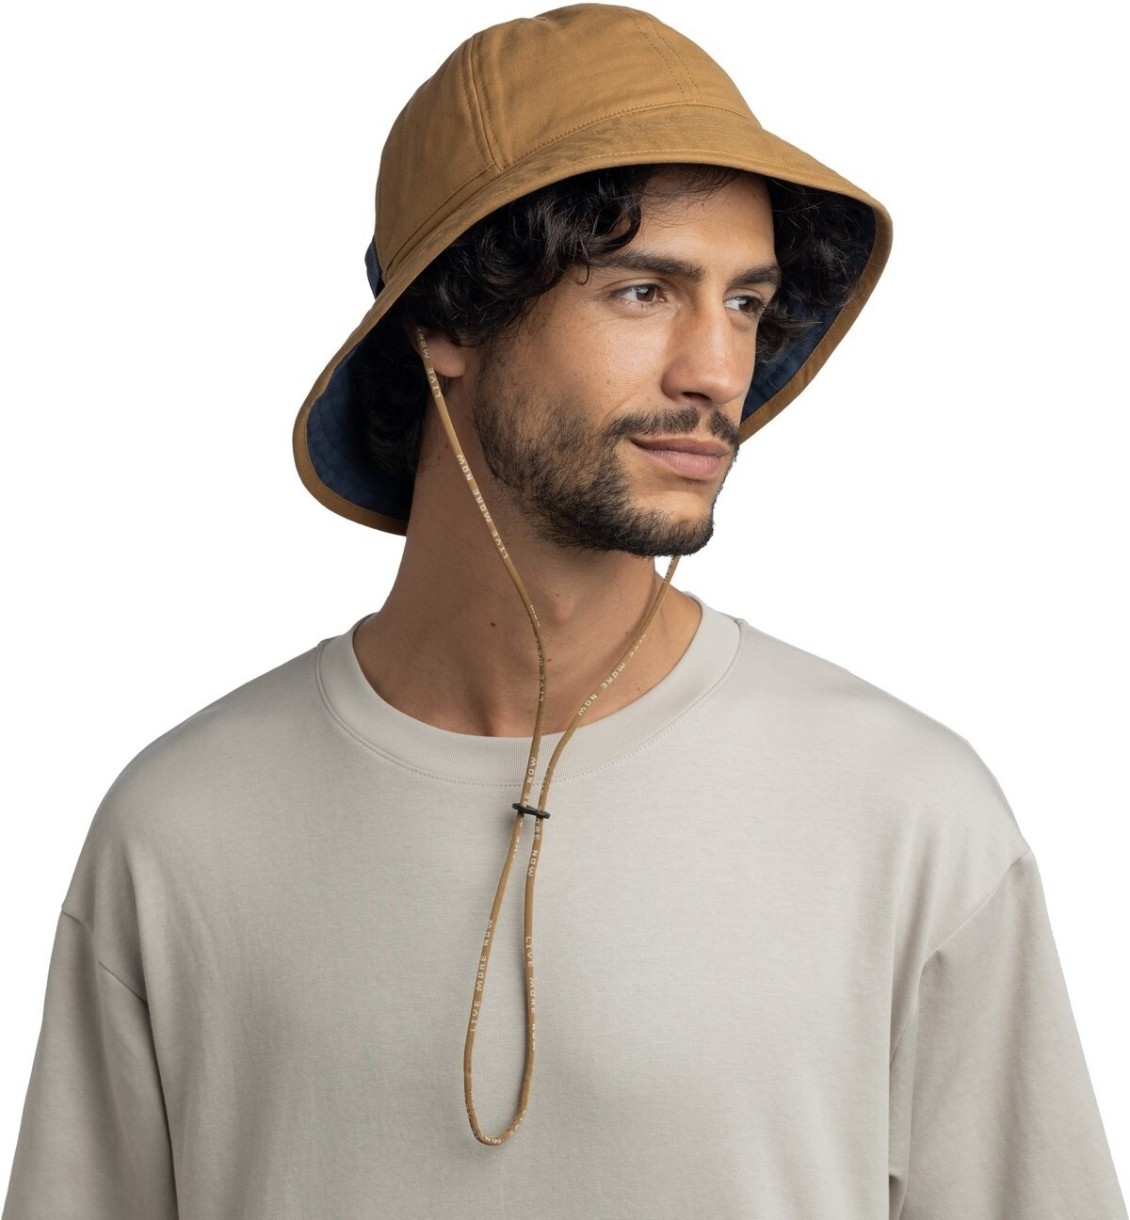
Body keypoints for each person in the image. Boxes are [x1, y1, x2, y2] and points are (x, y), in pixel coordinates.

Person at [3, 5, 1125, 1218]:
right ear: (445, 318)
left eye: (744, 303)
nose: (716, 371)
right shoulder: (182, 830)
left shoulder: (906, 814)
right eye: (644, 291)